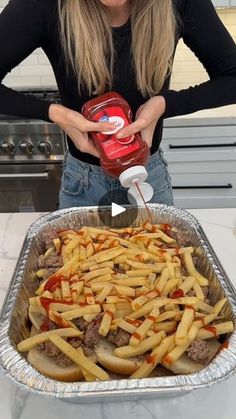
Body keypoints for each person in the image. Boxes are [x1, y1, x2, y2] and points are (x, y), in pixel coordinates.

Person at [0, 0, 236, 209]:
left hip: (148, 179)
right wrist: (54, 113)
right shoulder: (40, 5)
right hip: (83, 183)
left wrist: (165, 103)